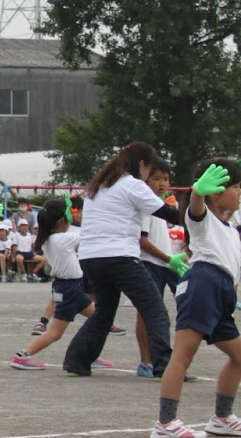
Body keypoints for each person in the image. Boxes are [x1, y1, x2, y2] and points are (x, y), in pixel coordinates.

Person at [62, 142, 182, 378]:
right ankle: (164, 366)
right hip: (119, 256)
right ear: (142, 165)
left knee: (104, 311)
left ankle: (77, 361)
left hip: (89, 258)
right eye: (150, 169)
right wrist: (200, 214)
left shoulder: (99, 186)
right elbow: (168, 214)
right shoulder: (132, 185)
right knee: (155, 308)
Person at [151, 159, 241, 438]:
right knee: (183, 355)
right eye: (236, 188)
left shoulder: (230, 228)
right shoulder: (202, 219)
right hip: (202, 285)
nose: (239, 193)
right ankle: (165, 422)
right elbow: (195, 209)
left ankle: (222, 418)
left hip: (221, 290)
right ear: (215, 191)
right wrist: (198, 192)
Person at [10, 199, 98, 371]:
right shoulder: (63, 238)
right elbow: (91, 237)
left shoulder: (51, 238)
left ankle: (90, 353)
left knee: (98, 319)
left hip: (69, 287)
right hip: (69, 288)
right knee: (55, 332)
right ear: (62, 220)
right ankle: (23, 355)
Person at [134, 161, 180, 378]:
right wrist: (168, 258)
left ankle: (173, 360)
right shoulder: (144, 205)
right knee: (146, 314)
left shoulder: (161, 204)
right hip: (150, 262)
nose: (162, 184)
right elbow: (142, 240)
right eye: (157, 178)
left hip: (166, 262)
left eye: (166, 179)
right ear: (146, 179)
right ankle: (146, 362)